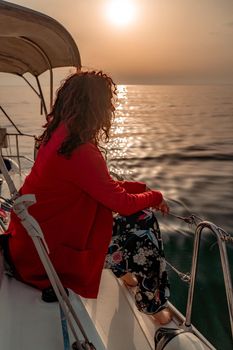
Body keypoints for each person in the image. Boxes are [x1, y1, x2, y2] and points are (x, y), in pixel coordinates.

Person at [5, 70, 171, 324]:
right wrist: (155, 195)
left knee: (130, 219)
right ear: (97, 109)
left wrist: (139, 188)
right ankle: (153, 306)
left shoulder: (58, 134)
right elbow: (121, 204)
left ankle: (126, 271)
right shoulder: (81, 151)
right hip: (47, 257)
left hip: (31, 245)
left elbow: (99, 185)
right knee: (144, 225)